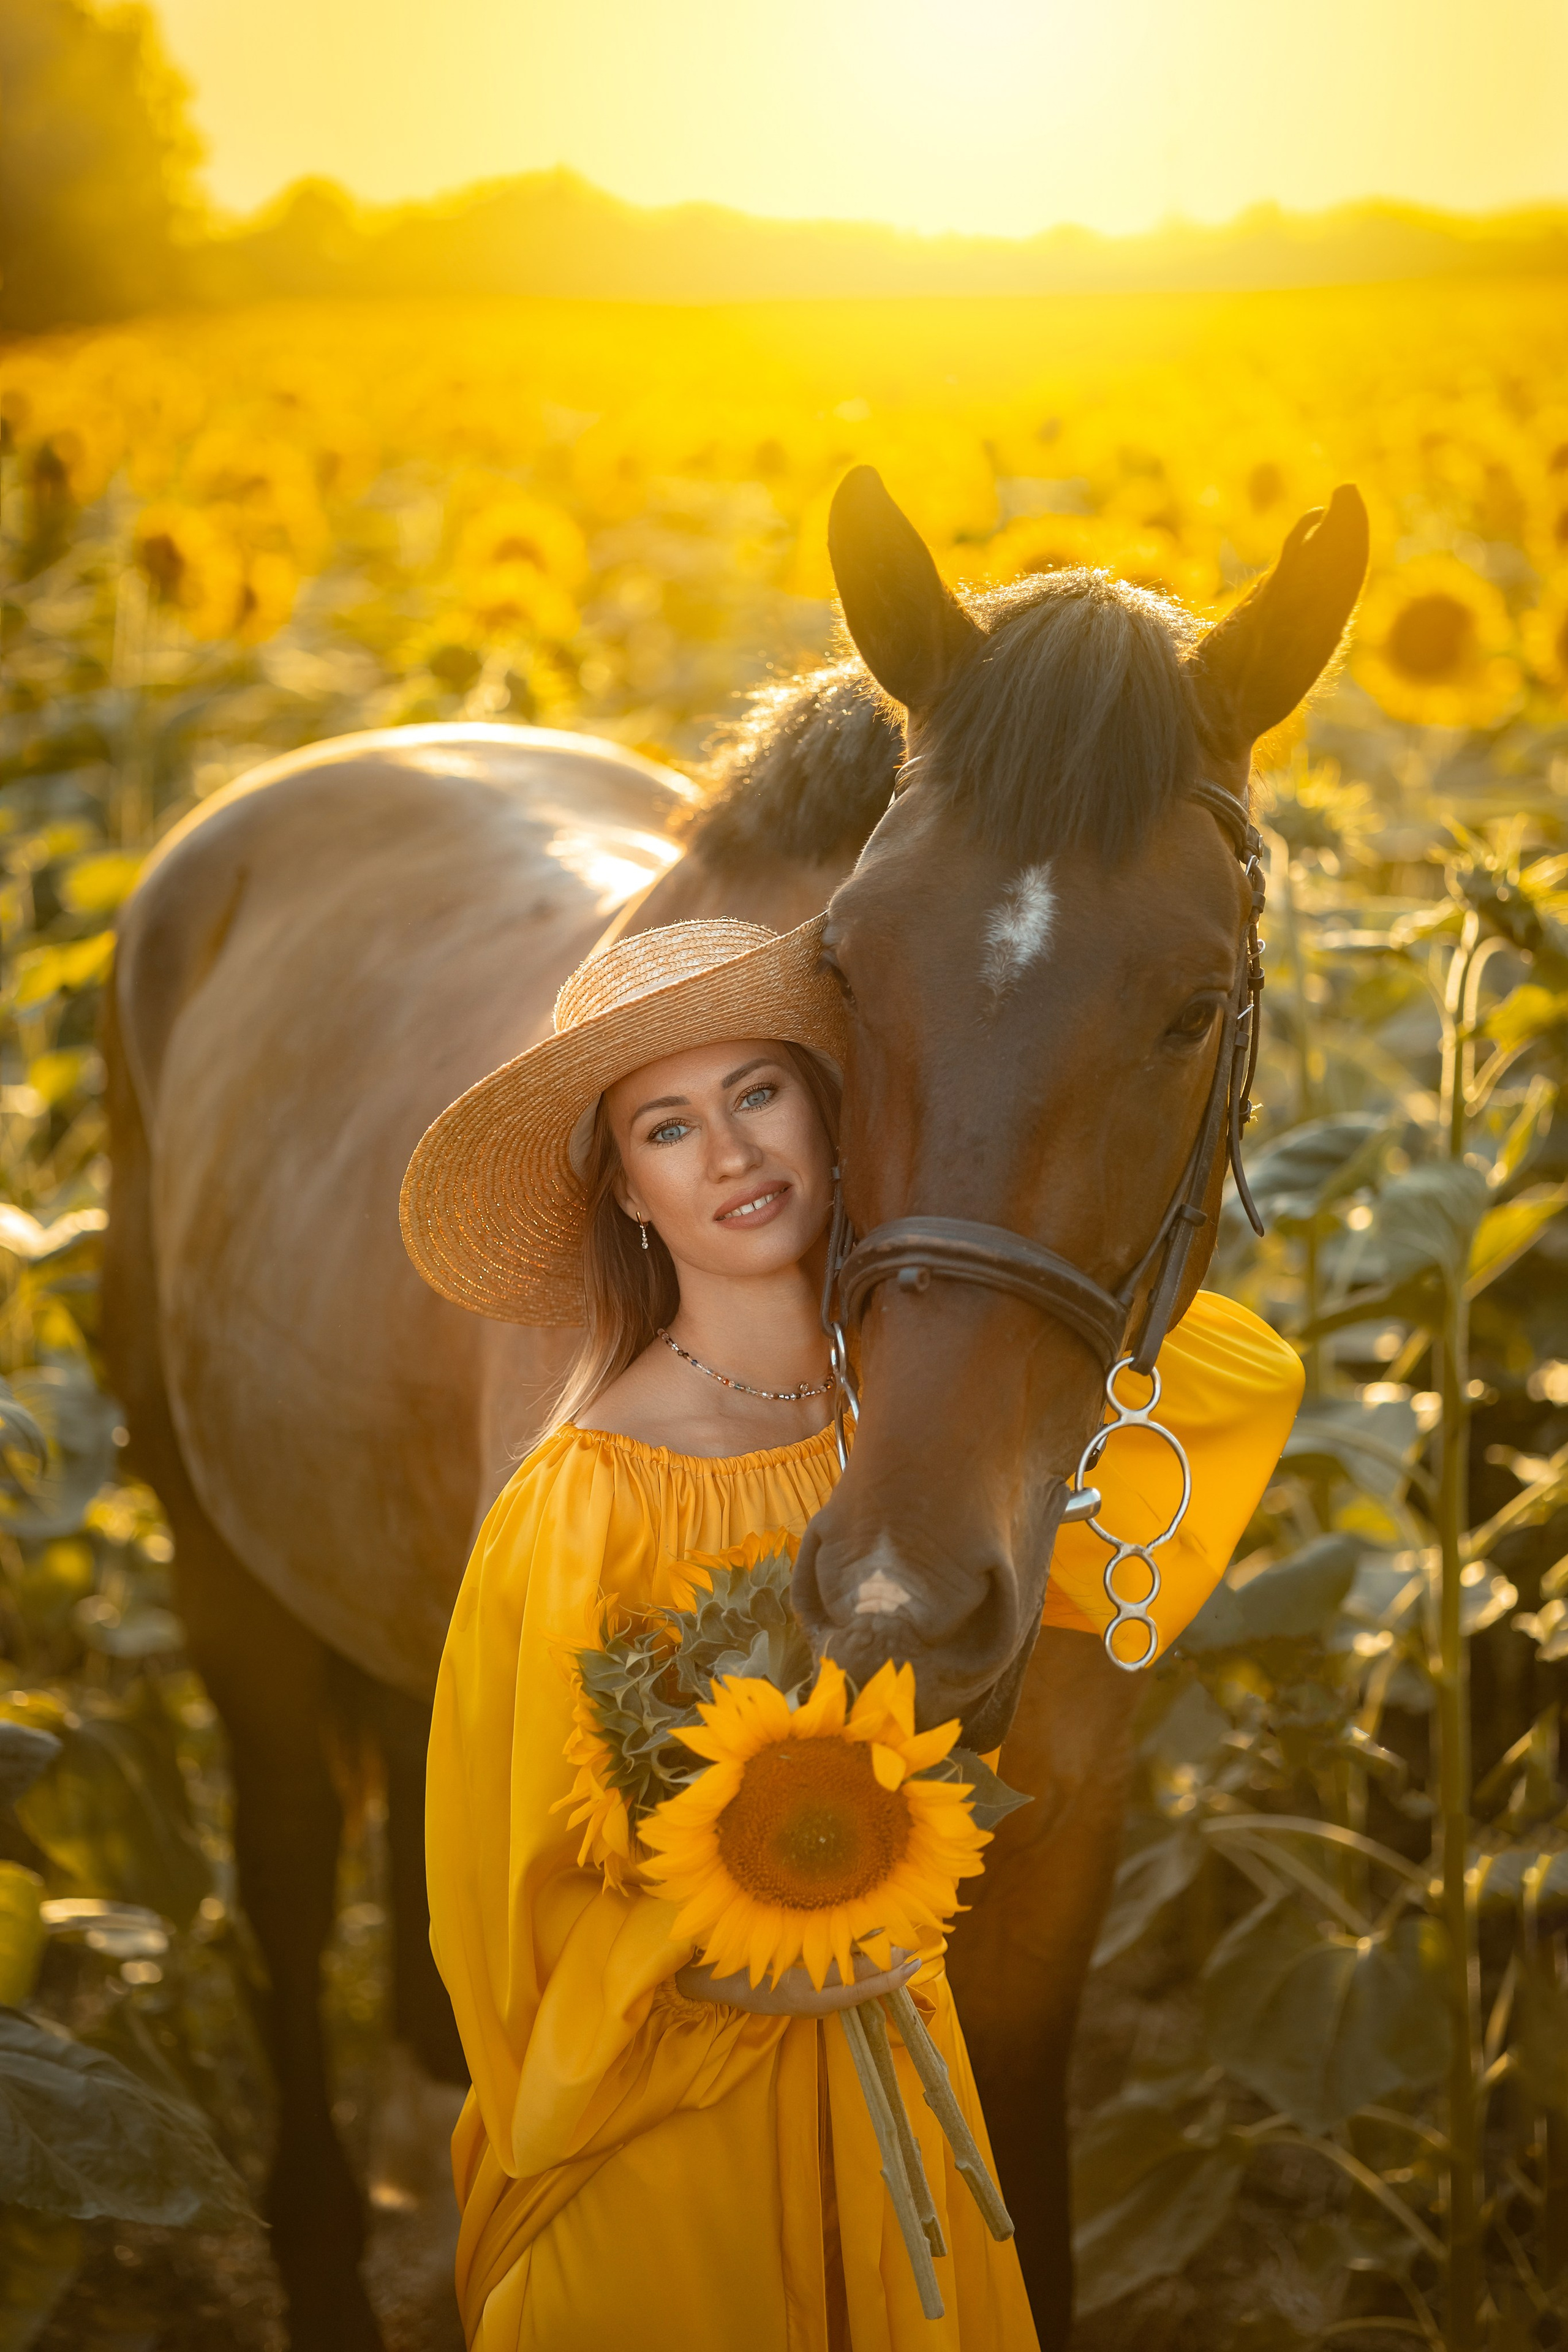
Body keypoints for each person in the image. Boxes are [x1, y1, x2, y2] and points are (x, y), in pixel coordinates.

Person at [401, 916, 1302, 2351]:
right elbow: (509, 1898)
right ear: (628, 1194)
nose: (730, 1155)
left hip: (895, 2064)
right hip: (675, 2115)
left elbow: (1216, 1368)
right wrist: (753, 1948)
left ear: (827, 1118)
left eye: (758, 1092)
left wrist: (954, 1234)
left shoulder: (918, 1436)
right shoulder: (587, 1497)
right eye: (666, 1128)